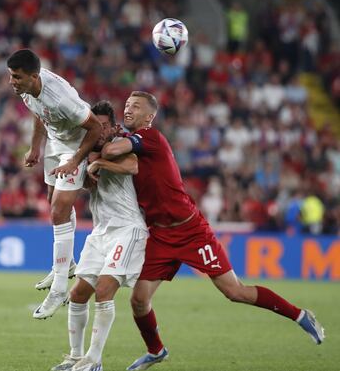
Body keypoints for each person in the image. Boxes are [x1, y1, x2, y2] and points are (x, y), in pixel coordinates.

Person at [100, 91, 325, 370]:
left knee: (235, 291)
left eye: (135, 106)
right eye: (127, 105)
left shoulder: (151, 138)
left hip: (191, 231)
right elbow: (126, 164)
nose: (128, 109)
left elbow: (112, 151)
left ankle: (301, 316)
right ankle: (156, 351)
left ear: (150, 116)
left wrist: (102, 152)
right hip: (160, 234)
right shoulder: (139, 149)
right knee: (138, 300)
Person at [52, 101, 148, 371]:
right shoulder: (84, 152)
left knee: (104, 290)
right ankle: (74, 357)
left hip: (127, 229)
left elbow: (132, 167)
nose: (100, 130)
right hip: (101, 230)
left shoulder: (121, 143)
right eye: (96, 125)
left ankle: (93, 361)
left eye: (105, 125)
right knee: (79, 293)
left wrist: (99, 164)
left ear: (113, 126)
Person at [7, 49, 102, 319]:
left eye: (17, 77)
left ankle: (60, 288)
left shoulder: (62, 99)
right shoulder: (26, 90)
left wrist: (75, 161)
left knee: (58, 210)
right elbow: (39, 113)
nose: (12, 81)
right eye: (11, 76)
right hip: (55, 141)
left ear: (34, 77)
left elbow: (94, 127)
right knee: (53, 201)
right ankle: (67, 263)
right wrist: (35, 146)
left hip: (76, 143)